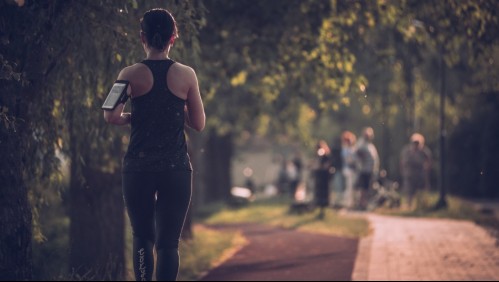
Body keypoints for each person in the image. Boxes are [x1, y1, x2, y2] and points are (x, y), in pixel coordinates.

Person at [103, 8, 205, 281]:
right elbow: (198, 123)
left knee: (142, 237)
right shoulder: (187, 75)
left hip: (138, 168)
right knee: (169, 244)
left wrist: (136, 116)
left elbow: (110, 116)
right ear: (174, 37)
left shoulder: (129, 73)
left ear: (142, 37)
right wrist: (172, 111)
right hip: (176, 169)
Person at [400, 133, 432, 210]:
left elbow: (429, 161)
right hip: (410, 174)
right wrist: (402, 170)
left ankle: (420, 206)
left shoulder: (424, 151)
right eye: (414, 142)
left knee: (421, 191)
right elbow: (402, 161)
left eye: (417, 142)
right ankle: (409, 206)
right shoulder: (407, 150)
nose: (416, 144)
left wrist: (426, 169)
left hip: (420, 174)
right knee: (409, 191)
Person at [355, 127, 380, 210]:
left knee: (368, 188)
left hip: (370, 170)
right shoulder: (361, 143)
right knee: (363, 188)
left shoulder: (370, 145)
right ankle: (362, 204)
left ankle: (365, 204)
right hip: (364, 170)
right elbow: (358, 153)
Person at [314, 140, 333, 219]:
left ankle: (323, 210)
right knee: (320, 193)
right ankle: (320, 210)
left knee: (323, 193)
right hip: (321, 176)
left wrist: (320, 167)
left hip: (324, 177)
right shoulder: (321, 155)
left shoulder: (325, 154)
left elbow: (327, 165)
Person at [341, 131, 358, 209]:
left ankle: (352, 203)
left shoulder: (352, 149)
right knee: (349, 187)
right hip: (348, 169)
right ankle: (348, 203)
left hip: (352, 170)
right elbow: (349, 160)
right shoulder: (345, 149)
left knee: (352, 187)